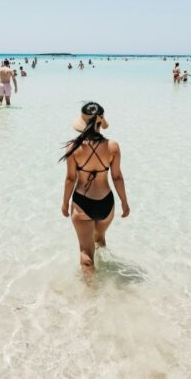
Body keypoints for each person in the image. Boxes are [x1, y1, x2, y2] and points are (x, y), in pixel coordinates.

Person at [60, 102, 130, 271]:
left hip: (82, 203)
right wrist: (124, 202)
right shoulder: (113, 146)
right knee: (99, 239)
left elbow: (70, 179)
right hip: (105, 203)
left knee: (86, 252)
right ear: (100, 122)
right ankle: (106, 277)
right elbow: (117, 177)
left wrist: (65, 202)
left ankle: (91, 294)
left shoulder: (74, 147)